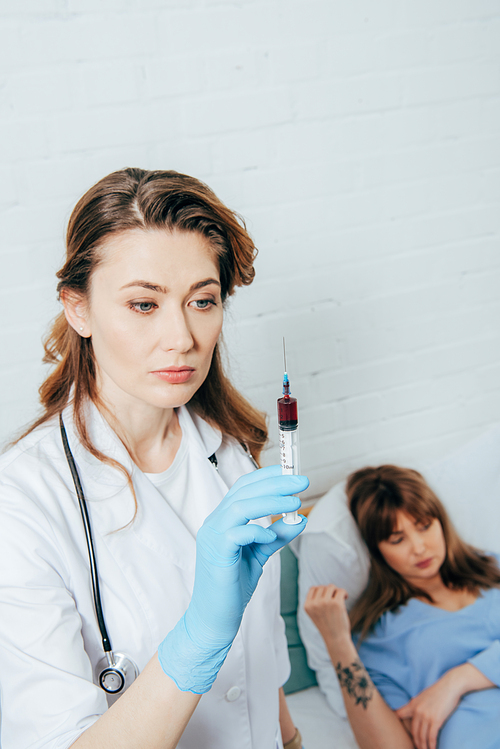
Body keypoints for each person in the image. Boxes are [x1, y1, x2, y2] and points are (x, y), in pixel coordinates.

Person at [0, 168, 309, 749]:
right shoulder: (20, 504)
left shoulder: (231, 451)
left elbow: (261, 662)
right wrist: (198, 640)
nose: (182, 336)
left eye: (203, 301)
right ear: (78, 309)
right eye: (144, 304)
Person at [303, 464, 500, 749]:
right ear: (377, 550)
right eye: (397, 539)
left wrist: (458, 680)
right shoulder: (381, 634)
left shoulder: (493, 569)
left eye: (424, 526)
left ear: (441, 521)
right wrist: (336, 642)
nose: (419, 547)